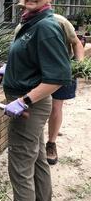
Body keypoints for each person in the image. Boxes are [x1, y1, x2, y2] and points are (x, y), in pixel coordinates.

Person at [0, 0, 72, 201]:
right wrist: (10, 68)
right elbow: (35, 60)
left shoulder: (46, 27)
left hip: (29, 107)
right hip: (28, 103)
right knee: (37, 161)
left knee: (19, 169)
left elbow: (58, 77)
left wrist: (23, 101)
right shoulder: (31, 21)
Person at [14, 14, 85, 165]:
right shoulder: (21, 28)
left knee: (56, 107)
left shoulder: (60, 22)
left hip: (61, 69)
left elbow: (76, 43)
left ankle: (51, 144)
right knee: (36, 107)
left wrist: (78, 66)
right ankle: (36, 144)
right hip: (36, 73)